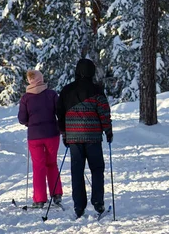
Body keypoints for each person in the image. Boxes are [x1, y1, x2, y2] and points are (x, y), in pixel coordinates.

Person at [56, 59, 112, 219]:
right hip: (93, 137)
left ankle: (79, 206)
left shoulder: (67, 91)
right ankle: (98, 202)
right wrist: (108, 131)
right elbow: (104, 112)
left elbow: (59, 113)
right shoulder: (97, 90)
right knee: (97, 169)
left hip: (74, 137)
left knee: (77, 171)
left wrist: (64, 133)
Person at [18, 70, 63, 208]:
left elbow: (22, 119)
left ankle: (39, 199)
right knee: (52, 164)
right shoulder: (51, 94)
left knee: (38, 167)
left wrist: (29, 123)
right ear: (41, 79)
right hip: (52, 134)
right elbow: (60, 112)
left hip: (34, 136)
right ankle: (56, 194)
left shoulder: (26, 98)